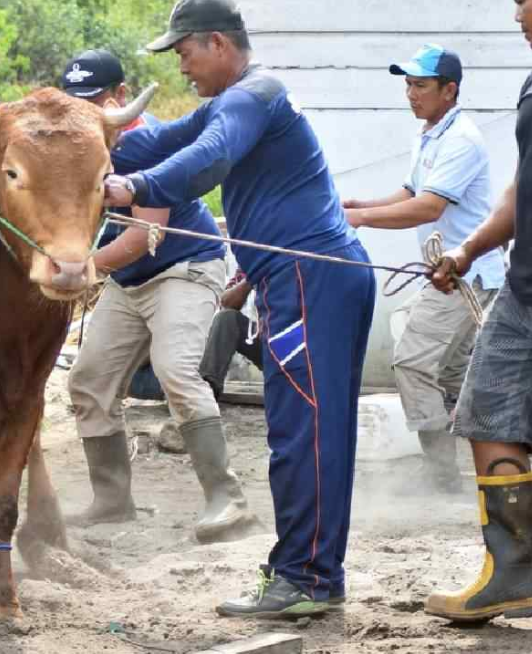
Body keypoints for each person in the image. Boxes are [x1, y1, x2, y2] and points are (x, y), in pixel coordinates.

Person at [104, 0, 376, 618]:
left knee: (302, 429)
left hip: (311, 278)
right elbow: (162, 142)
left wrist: (138, 189)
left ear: (219, 44)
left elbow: (210, 156)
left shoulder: (251, 97)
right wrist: (79, 149)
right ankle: (310, 572)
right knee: (310, 426)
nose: (182, 68)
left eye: (184, 53)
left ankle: (306, 577)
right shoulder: (239, 99)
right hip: (306, 276)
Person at [423, 0, 532, 633]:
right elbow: (526, 185)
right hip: (525, 291)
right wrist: (469, 249)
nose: (516, 10)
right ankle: (512, 579)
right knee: (488, 417)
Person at [64, 49, 256, 544]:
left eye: (97, 101)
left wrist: (77, 271)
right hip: (130, 280)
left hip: (184, 267)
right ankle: (111, 500)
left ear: (121, 98)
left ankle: (226, 499)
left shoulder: (145, 143)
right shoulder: (73, 148)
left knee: (176, 371)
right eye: (75, 102)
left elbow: (139, 239)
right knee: (89, 381)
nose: (86, 113)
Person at [343, 44, 505, 494]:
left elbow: (429, 208)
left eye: (420, 86)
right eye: (408, 85)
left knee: (412, 362)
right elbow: (412, 190)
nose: (410, 94)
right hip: (454, 274)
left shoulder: (461, 140)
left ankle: (442, 477)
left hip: (462, 277)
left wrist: (359, 219)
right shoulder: (432, 133)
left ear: (449, 90)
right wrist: (360, 204)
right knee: (455, 376)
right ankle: (490, 461)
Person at [128, 270, 263, 402]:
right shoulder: (248, 266)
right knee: (128, 375)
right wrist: (251, 276)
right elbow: (227, 302)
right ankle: (196, 390)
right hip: (198, 353)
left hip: (278, 345)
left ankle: (201, 391)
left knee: (226, 319)